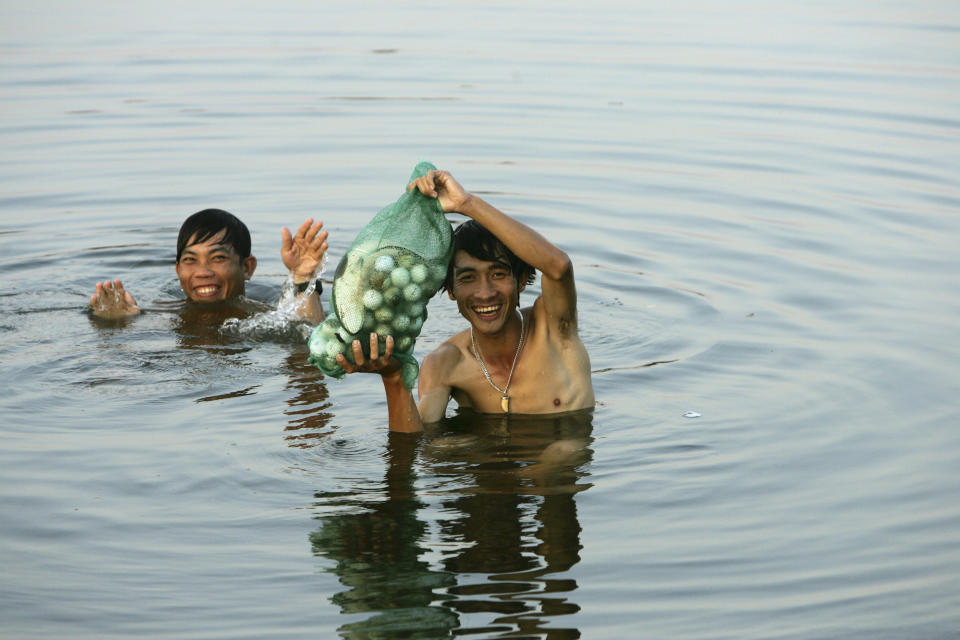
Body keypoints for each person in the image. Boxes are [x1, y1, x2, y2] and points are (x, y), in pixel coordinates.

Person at [337, 170, 594, 432]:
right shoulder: (446, 363)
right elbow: (416, 445)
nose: (485, 293)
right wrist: (393, 378)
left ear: (521, 280)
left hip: (560, 467)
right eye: (468, 278)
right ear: (450, 289)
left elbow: (558, 267)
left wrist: (466, 204)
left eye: (498, 274)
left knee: (562, 452)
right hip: (486, 465)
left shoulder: (554, 329)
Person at [89, 208, 328, 325]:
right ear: (177, 270)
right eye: (190, 260)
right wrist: (119, 322)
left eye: (218, 258)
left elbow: (312, 336)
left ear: (247, 267)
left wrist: (303, 277)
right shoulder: (158, 313)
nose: (202, 272)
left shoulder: (264, 316)